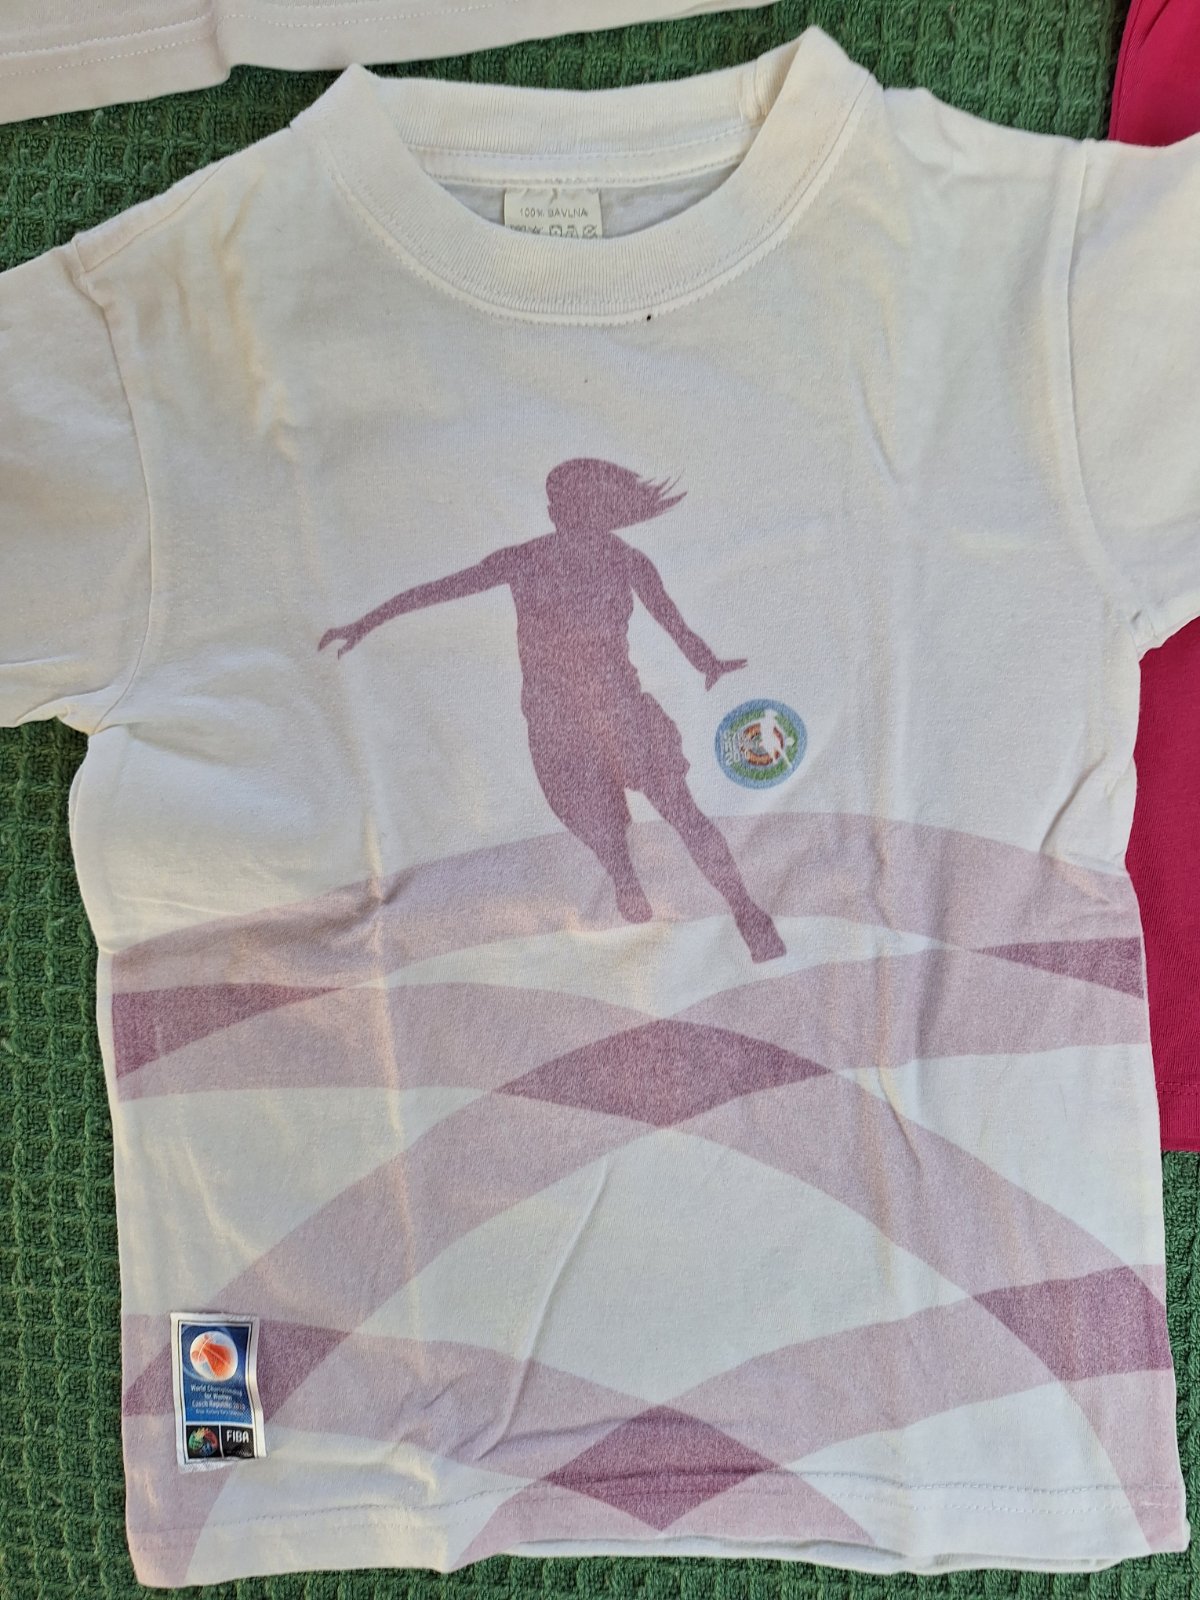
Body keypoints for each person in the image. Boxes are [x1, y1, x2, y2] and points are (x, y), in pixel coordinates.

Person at [318, 456, 786, 961]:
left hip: (577, 716)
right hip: (604, 712)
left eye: (562, 502)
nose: (558, 510)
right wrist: (705, 662)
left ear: (565, 510)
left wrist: (367, 622)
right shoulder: (613, 558)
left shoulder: (547, 558)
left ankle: (669, 889)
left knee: (640, 812)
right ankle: (723, 904)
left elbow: (436, 592)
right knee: (672, 813)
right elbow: (675, 626)